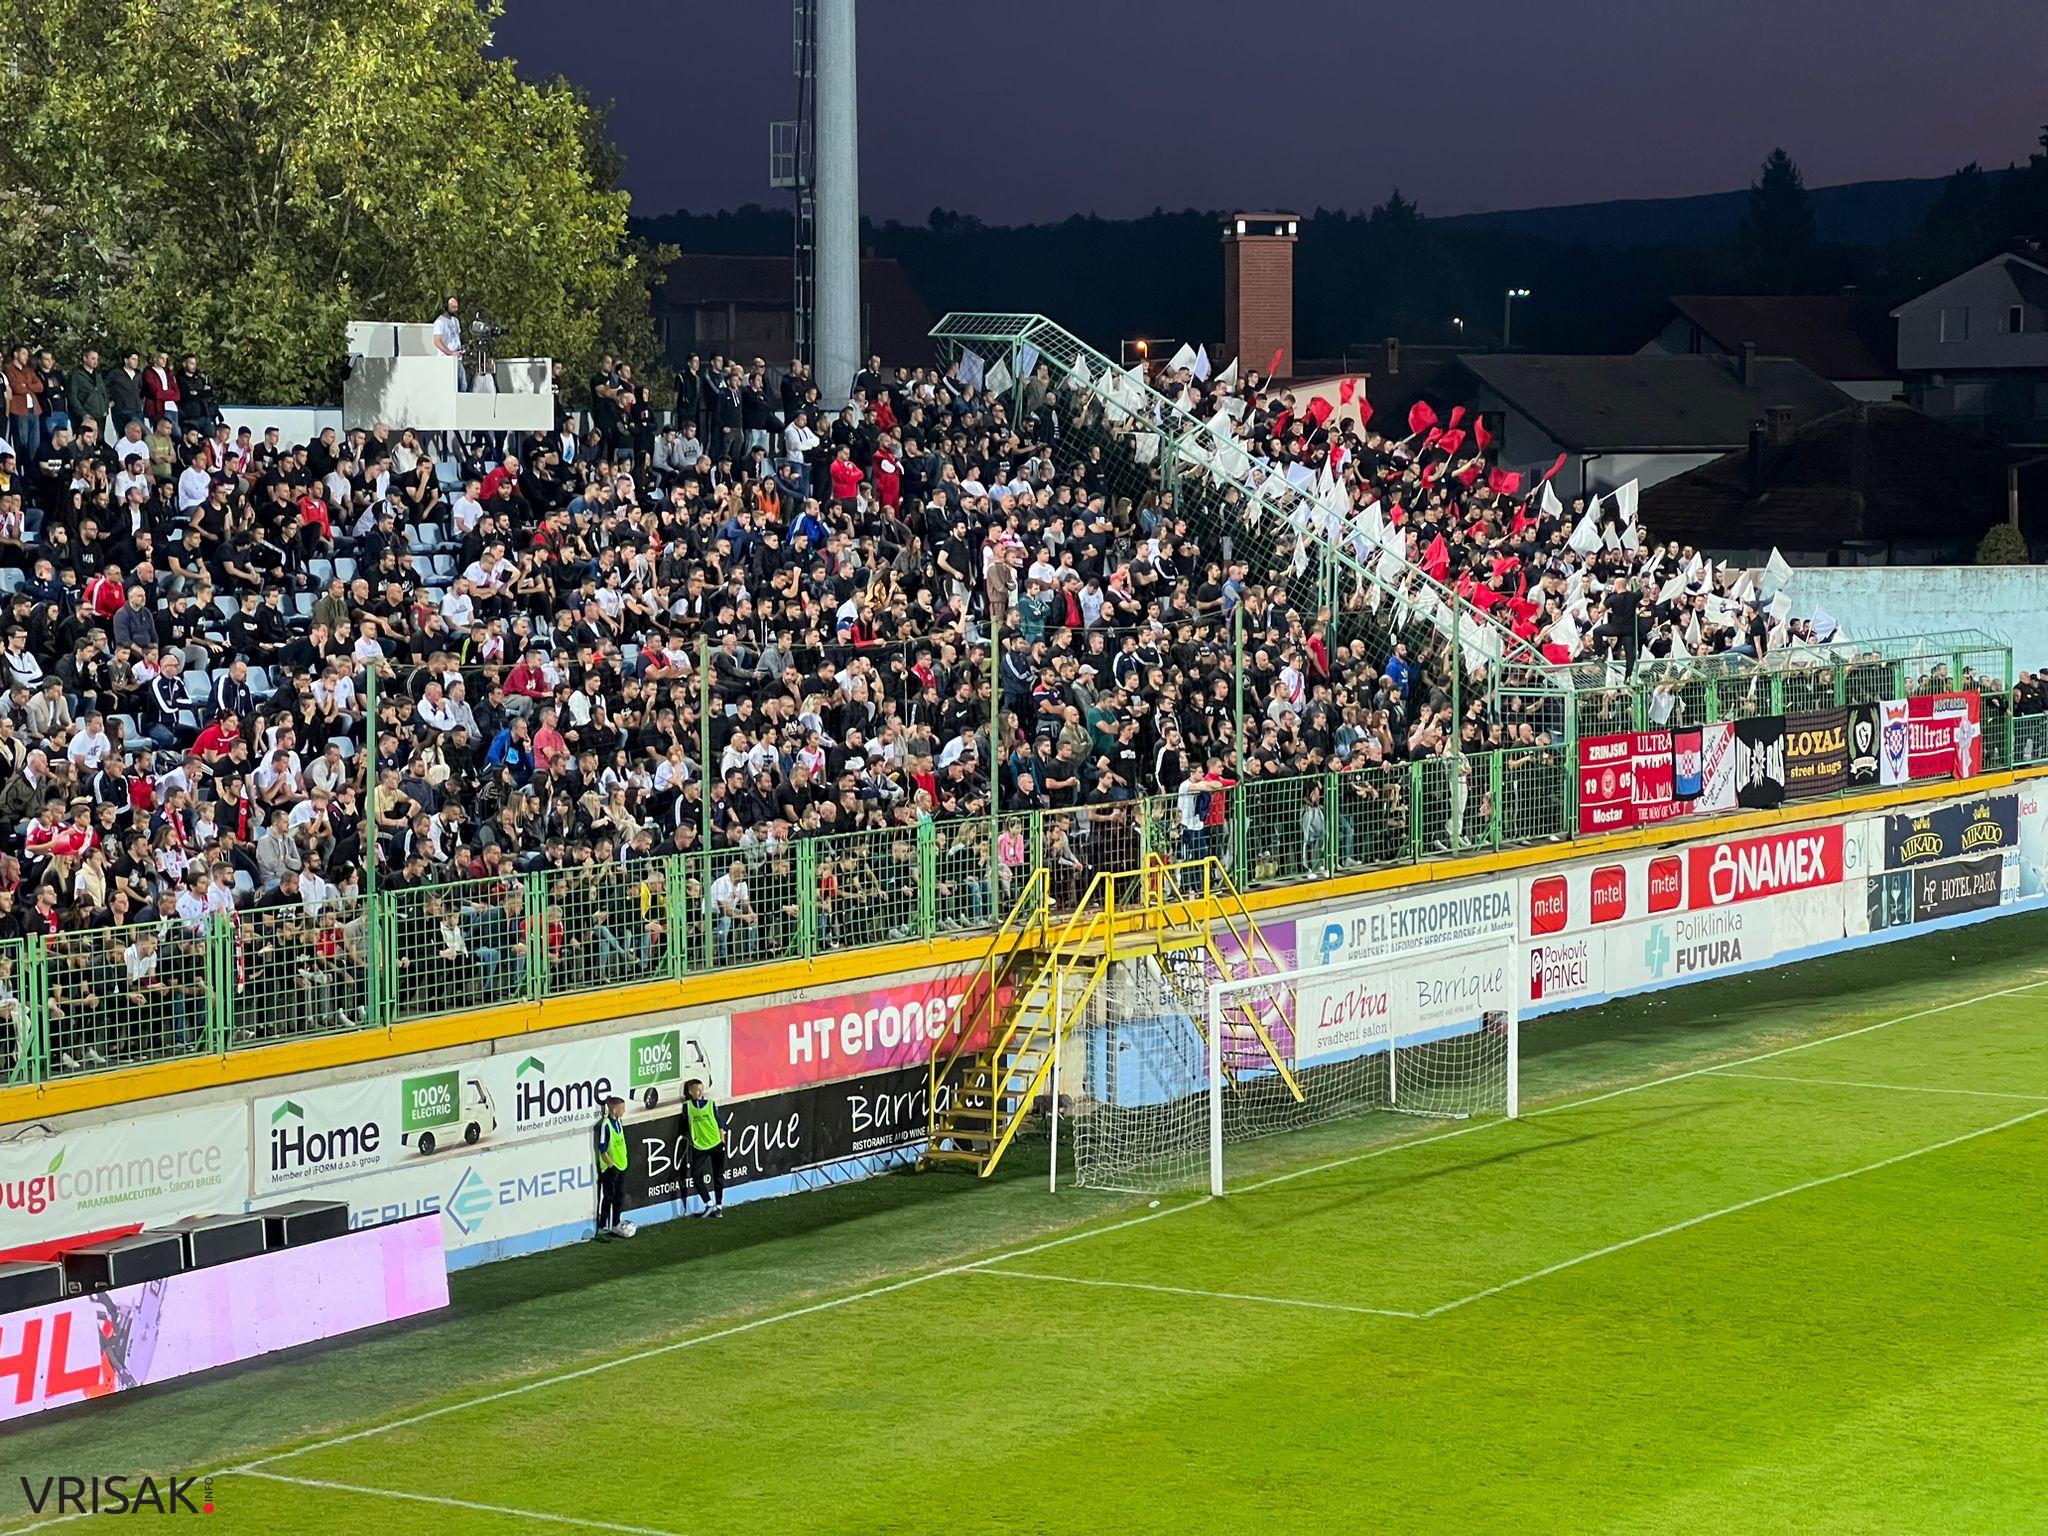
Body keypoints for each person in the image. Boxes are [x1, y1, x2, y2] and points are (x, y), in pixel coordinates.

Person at [683, 1077, 726, 1218]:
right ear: (690, 1091)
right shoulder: (687, 1107)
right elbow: (685, 1126)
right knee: (696, 1174)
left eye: (701, 1088)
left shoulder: (710, 1104)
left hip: (715, 1144)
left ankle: (719, 1206)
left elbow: (719, 1123)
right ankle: (708, 1203)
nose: (699, 1091)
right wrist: (691, 1139)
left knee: (718, 1176)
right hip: (699, 1146)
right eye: (696, 1089)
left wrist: (722, 1140)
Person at [593, 1092, 634, 1238]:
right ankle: (602, 1225)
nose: (624, 1111)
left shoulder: (619, 1122)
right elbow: (602, 1148)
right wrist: (611, 1165)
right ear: (614, 1109)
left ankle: (616, 1223)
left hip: (622, 1165)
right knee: (608, 1197)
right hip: (611, 1168)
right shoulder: (606, 1125)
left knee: (619, 1196)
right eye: (622, 1108)